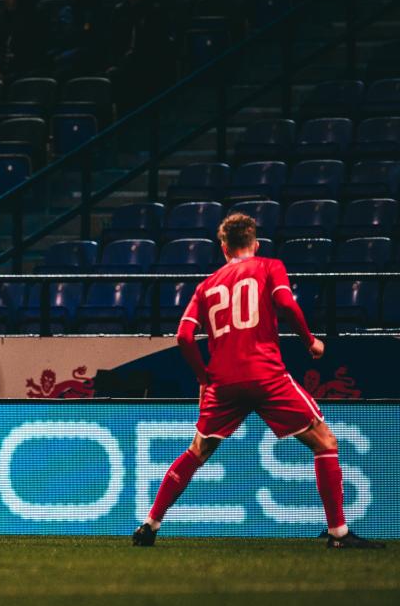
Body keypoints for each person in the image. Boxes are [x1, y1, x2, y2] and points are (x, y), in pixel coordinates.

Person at [133, 213, 385, 549]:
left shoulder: (206, 285)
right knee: (325, 442)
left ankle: (149, 526)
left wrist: (203, 378)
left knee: (198, 450)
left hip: (223, 382)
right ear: (256, 243)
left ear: (223, 247)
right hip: (266, 375)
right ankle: (339, 533)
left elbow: (183, 336)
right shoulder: (269, 266)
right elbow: (285, 304)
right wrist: (310, 341)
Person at [0, 0, 48, 82]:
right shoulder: (4, 16)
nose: (6, 0)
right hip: (7, 67)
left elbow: (36, 51)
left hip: (30, 70)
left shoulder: (37, 16)